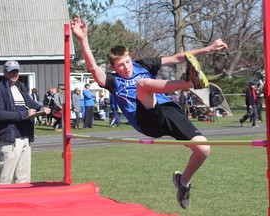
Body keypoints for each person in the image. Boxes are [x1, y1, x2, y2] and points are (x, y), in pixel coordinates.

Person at [71, 16, 228, 209]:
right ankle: (190, 83)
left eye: (127, 62)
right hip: (146, 120)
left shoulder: (143, 65)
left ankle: (183, 182)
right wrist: (83, 39)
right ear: (114, 67)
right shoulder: (113, 81)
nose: (126, 67)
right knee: (142, 84)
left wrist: (209, 48)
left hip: (168, 111)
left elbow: (178, 57)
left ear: (130, 58)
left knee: (204, 149)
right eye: (121, 65)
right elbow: (93, 68)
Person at [0, 60, 51, 184]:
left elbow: (31, 103)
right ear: (4, 72)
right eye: (11, 71)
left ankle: (21, 203)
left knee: (24, 179)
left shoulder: (21, 87)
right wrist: (24, 114)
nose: (14, 74)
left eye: (16, 71)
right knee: (5, 179)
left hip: (25, 136)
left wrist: (42, 108)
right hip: (10, 139)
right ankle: (2, 203)